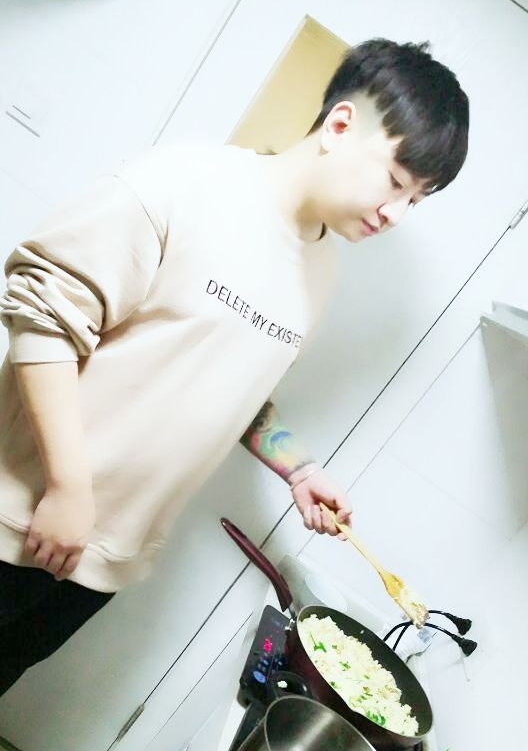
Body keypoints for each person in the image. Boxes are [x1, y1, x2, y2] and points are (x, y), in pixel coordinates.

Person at [0, 38, 469, 696]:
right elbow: (41, 311)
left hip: (104, 558)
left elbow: (231, 388)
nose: (396, 213)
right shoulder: (186, 181)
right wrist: (68, 485)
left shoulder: (320, 269)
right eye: (395, 181)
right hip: (25, 515)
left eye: (416, 200)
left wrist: (298, 470)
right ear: (340, 125)